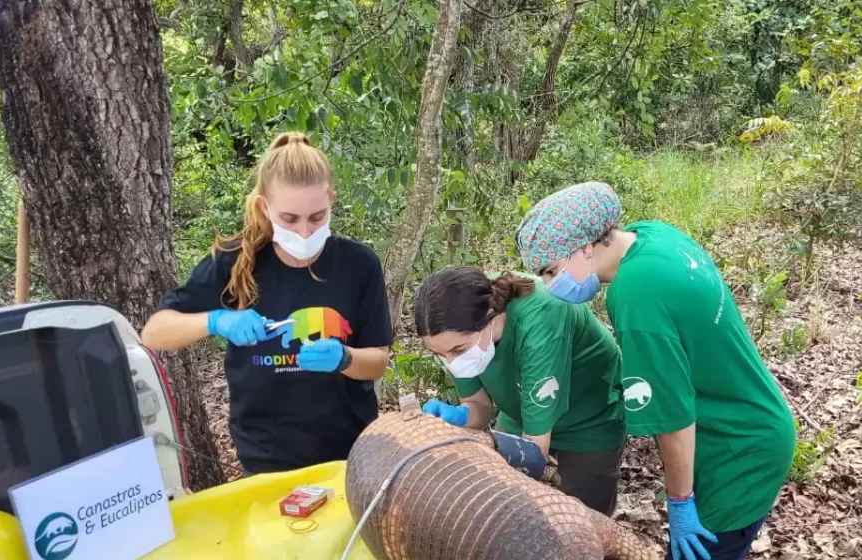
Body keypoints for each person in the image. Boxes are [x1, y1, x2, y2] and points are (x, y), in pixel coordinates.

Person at [513, 181, 795, 560]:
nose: (550, 284)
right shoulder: (651, 235)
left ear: (585, 247)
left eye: (551, 270)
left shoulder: (635, 294)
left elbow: (673, 416)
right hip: (753, 418)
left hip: (738, 451)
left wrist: (679, 502)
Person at [141, 132, 391, 475]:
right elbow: (154, 333)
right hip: (266, 456)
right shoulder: (233, 260)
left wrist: (344, 358)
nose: (304, 232)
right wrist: (216, 321)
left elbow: (377, 361)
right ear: (264, 207)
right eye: (289, 219)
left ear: (332, 199)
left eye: (317, 217)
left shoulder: (359, 265)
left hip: (348, 452)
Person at [414, 267, 627, 515]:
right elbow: (478, 408)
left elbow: (534, 448)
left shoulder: (541, 316)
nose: (452, 362)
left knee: (579, 521)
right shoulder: (459, 326)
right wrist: (457, 416)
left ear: (491, 317)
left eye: (458, 351)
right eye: (441, 354)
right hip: (519, 420)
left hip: (587, 424)